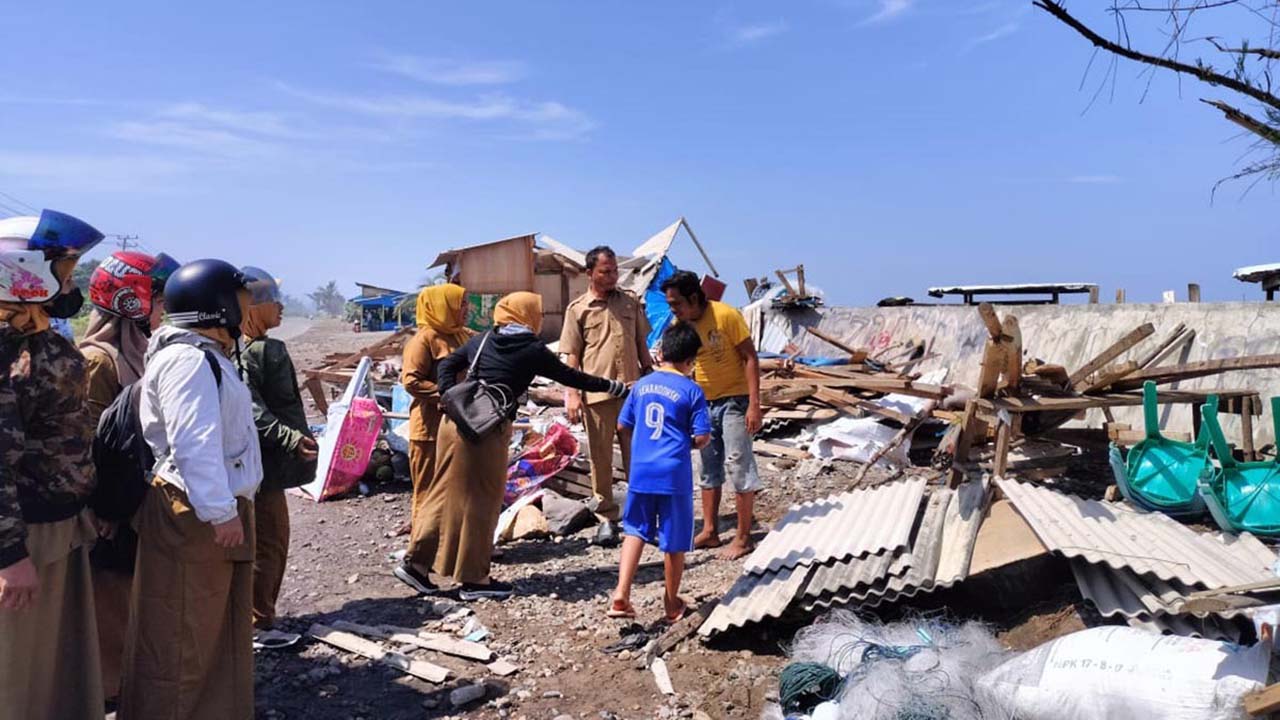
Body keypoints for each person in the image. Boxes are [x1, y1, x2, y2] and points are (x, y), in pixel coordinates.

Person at [119, 259, 263, 720]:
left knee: (209, 630)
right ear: (215, 306)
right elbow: (193, 442)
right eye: (241, 300)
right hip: (195, 512)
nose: (247, 309)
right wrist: (220, 512)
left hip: (206, 505)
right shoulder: (188, 361)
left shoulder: (205, 355)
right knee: (181, 636)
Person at [417, 291, 626, 600]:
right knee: (482, 502)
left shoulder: (484, 339)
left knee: (443, 493)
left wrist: (449, 396)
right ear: (527, 314)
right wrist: (612, 385)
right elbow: (570, 376)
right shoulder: (530, 349)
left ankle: (416, 564)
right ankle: (475, 581)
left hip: (456, 423)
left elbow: (448, 364)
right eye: (537, 311)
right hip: (484, 431)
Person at [0, 209, 107, 720]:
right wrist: (9, 554)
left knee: (53, 673)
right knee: (17, 676)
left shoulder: (35, 337)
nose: (70, 282)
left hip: (54, 523)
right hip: (23, 536)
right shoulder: (8, 350)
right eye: (64, 268)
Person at [79, 249, 179, 703]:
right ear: (130, 304)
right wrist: (105, 509)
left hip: (133, 502)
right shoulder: (99, 362)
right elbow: (90, 444)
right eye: (159, 300)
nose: (165, 311)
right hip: (107, 512)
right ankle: (107, 696)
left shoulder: (140, 356)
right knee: (111, 608)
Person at [609, 323, 710, 622]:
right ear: (691, 360)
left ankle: (621, 594)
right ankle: (671, 604)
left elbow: (622, 425)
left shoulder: (641, 386)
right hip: (673, 474)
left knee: (635, 530)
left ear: (661, 352)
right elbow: (702, 436)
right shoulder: (692, 390)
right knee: (674, 542)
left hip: (641, 471)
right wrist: (685, 442)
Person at [662, 270, 763, 560]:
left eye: (676, 303)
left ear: (694, 298)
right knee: (708, 466)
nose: (673, 310)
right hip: (704, 403)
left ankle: (743, 538)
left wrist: (754, 405)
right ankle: (710, 531)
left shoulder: (726, 316)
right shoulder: (681, 323)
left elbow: (750, 358)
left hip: (735, 401)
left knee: (737, 464)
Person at [239, 266, 318, 631]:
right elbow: (253, 409)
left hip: (258, 463)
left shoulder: (251, 348)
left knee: (267, 540)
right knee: (269, 543)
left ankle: (257, 615)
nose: (281, 308)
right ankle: (259, 621)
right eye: (274, 301)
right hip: (264, 465)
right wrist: (290, 438)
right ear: (253, 308)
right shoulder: (260, 352)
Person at [560, 246, 653, 545]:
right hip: (597, 395)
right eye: (605, 271)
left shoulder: (630, 301)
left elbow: (641, 344)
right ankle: (606, 518)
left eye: (614, 270)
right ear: (590, 273)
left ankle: (640, 516)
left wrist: (651, 377)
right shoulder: (578, 309)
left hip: (632, 392)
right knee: (600, 459)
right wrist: (572, 394)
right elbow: (571, 357)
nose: (612, 276)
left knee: (636, 456)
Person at [394, 283, 473, 595]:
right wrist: (446, 396)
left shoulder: (463, 335)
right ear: (443, 305)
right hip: (429, 428)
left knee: (455, 490)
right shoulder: (423, 339)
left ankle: (444, 553)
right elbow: (411, 381)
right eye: (461, 303)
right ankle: (417, 556)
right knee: (427, 493)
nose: (466, 308)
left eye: (466, 303)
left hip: (458, 426)